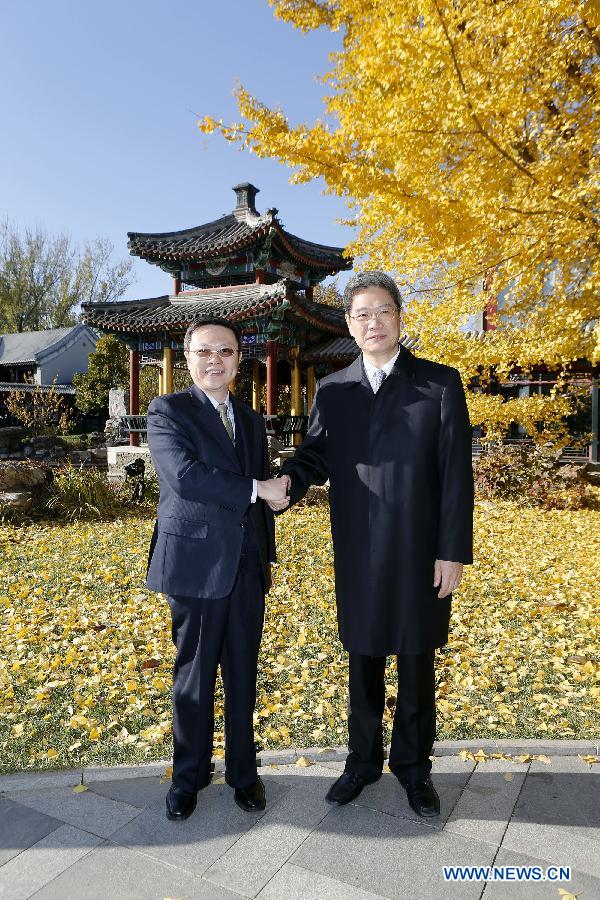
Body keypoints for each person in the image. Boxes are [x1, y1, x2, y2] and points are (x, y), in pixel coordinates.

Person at [279, 271, 474, 817]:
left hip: (420, 549)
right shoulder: (334, 388)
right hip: (359, 547)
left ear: (400, 317)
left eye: (383, 311)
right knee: (362, 657)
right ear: (349, 324)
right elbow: (314, 456)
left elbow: (457, 474)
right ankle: (361, 763)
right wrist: (286, 485)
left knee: (415, 659)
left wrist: (452, 550)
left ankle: (414, 770)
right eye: (362, 314)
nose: (373, 322)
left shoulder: (438, 383)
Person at [146, 316, 289, 821]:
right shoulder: (167, 411)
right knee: (195, 677)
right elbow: (185, 478)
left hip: (246, 566)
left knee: (244, 676)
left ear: (238, 360)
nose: (215, 361)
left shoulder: (250, 419)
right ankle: (188, 779)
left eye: (225, 352)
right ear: (188, 358)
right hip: (195, 565)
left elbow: (263, 485)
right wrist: (258, 490)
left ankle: (243, 775)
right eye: (204, 351)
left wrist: (277, 499)